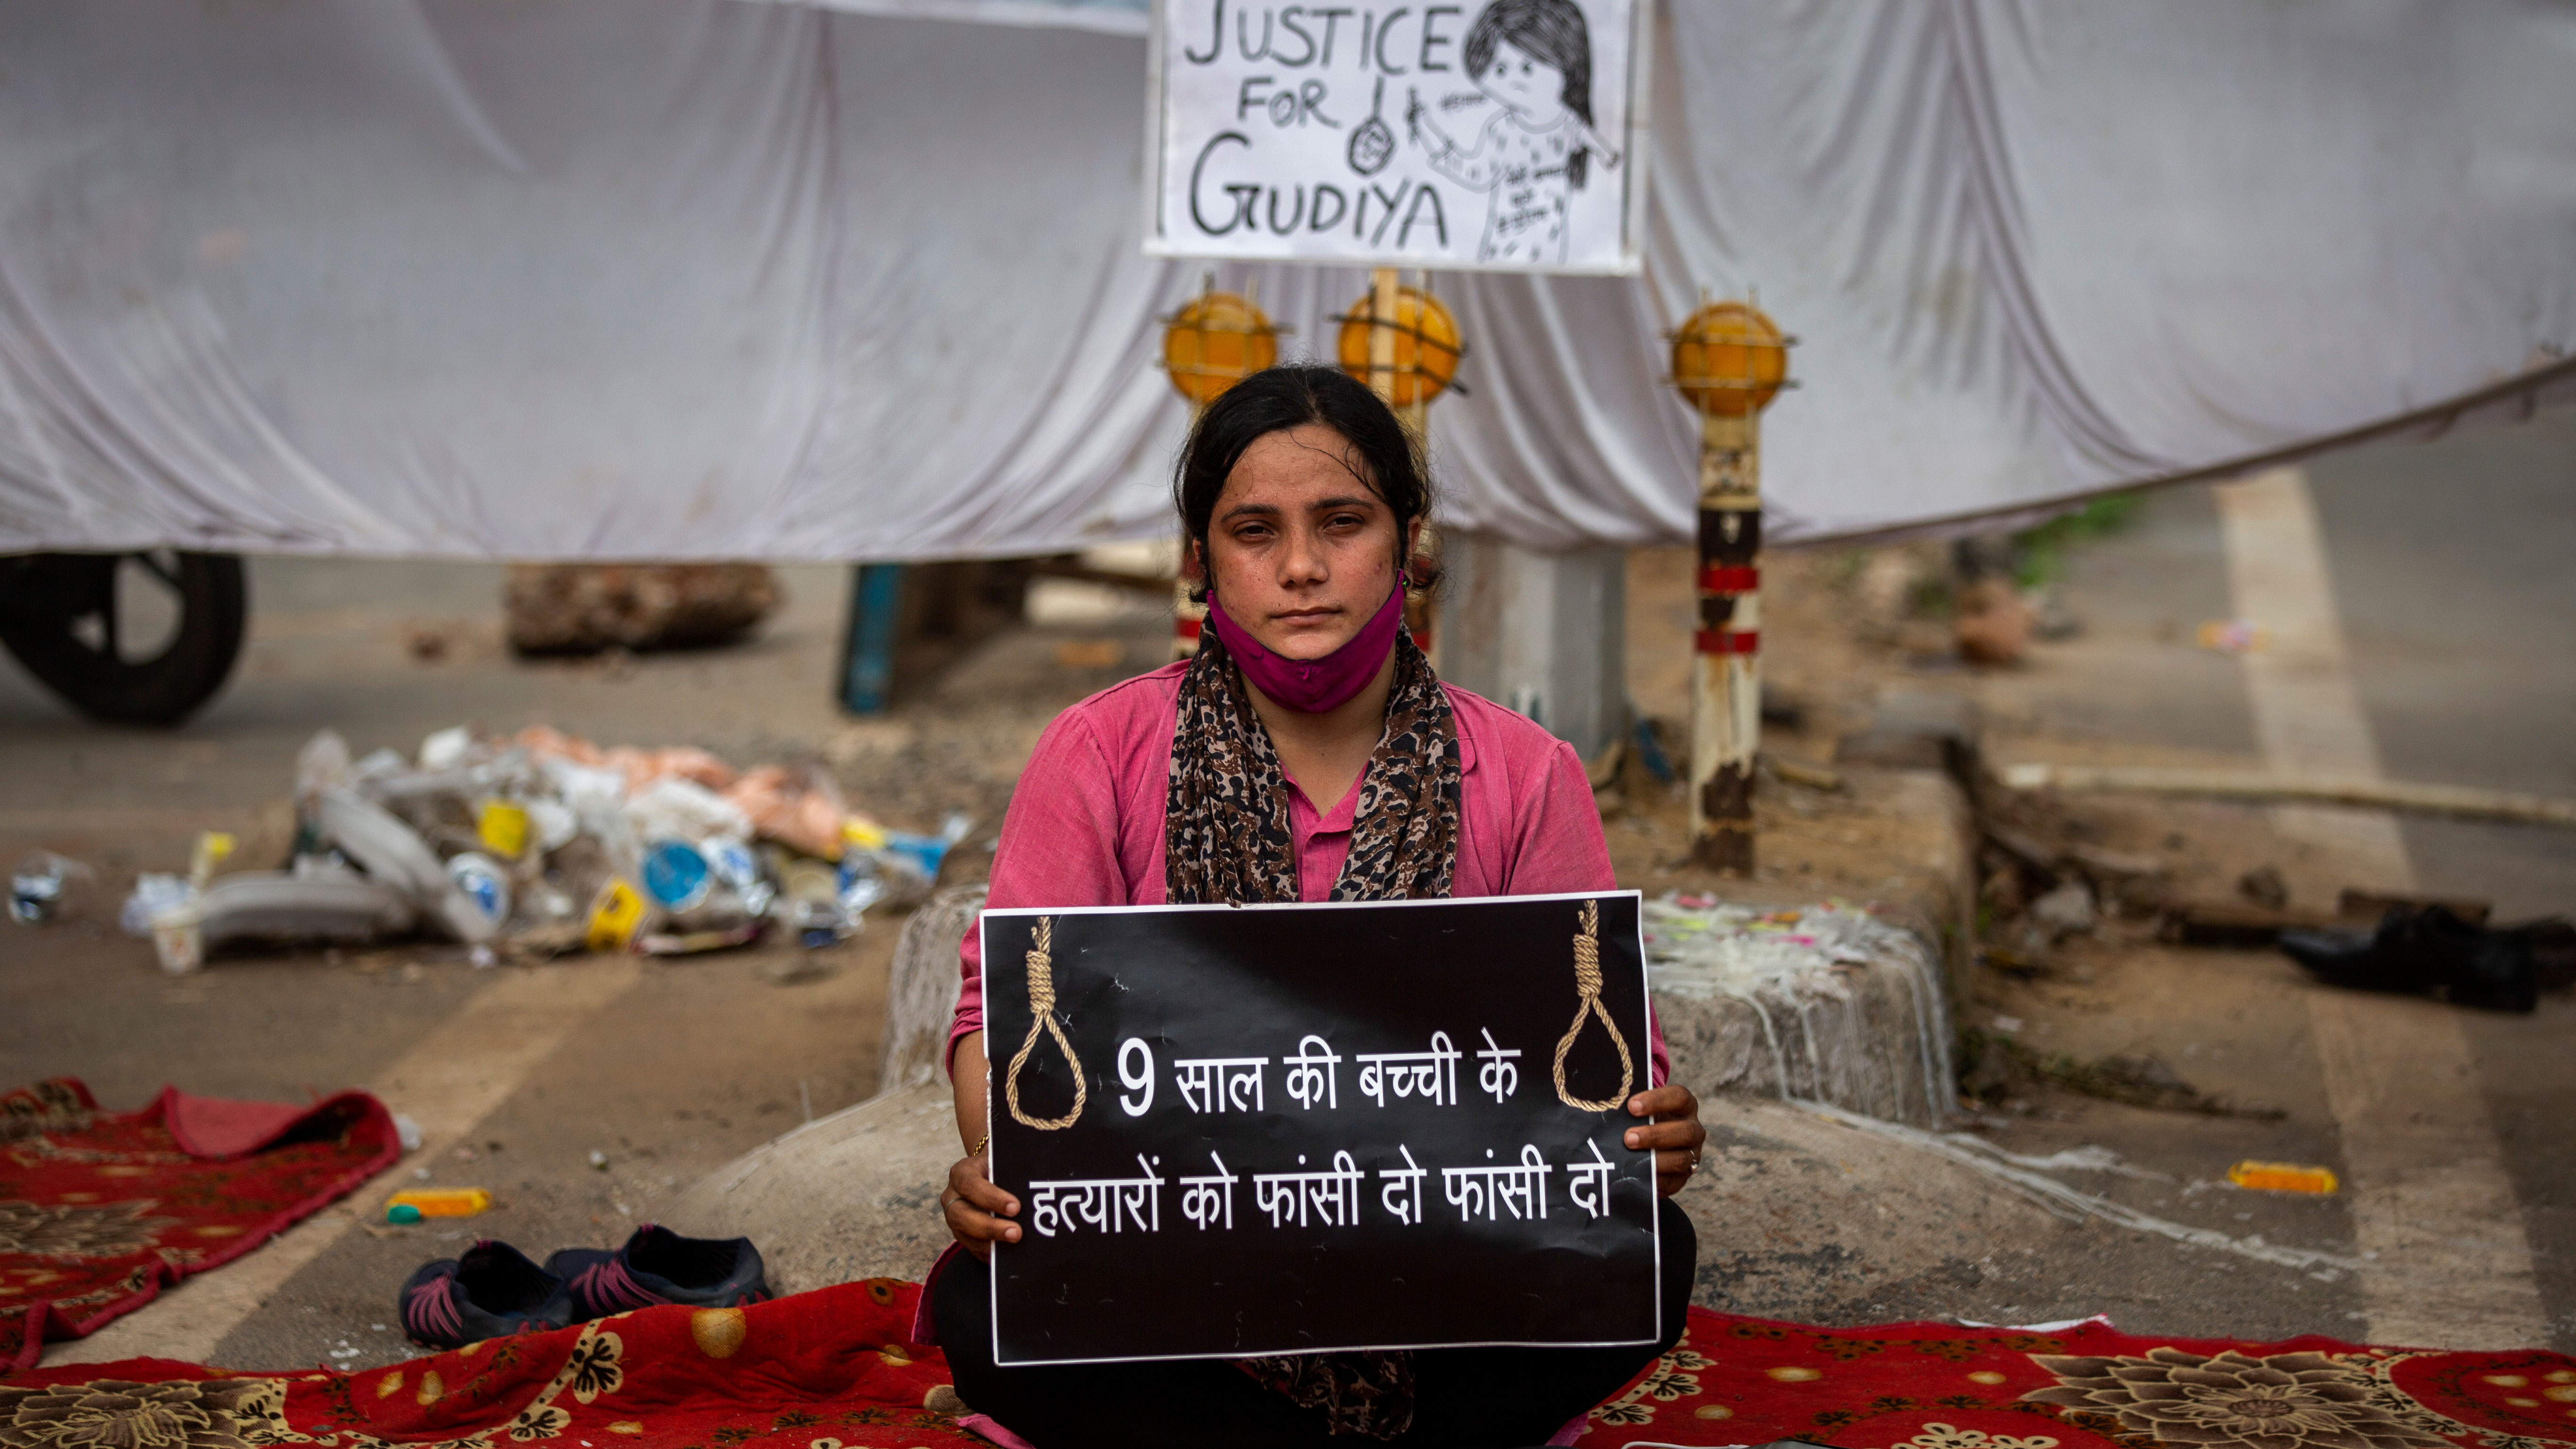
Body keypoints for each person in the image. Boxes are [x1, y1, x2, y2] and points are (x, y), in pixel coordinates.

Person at [925, 365, 1706, 1447]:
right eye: (1255, 531)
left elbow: (1605, 1060)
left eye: (1342, 522)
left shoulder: (1525, 771)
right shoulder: (1100, 752)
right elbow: (998, 1023)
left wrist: (1646, 1132)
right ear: (1200, 561)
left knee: (1652, 1255)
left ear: (1408, 540)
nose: (1300, 567)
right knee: (987, 1304)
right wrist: (1004, 1165)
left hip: (1439, 1261)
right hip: (1184, 1261)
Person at [1408, 0, 1620, 266]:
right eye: (1500, 70)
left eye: (1528, 68)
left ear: (1566, 63)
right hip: (1500, 248)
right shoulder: (1502, 129)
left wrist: (1606, 154)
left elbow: (1593, 141)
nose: (1513, 81)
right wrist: (1428, 132)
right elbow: (1477, 171)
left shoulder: (1567, 122)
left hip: (1553, 249)